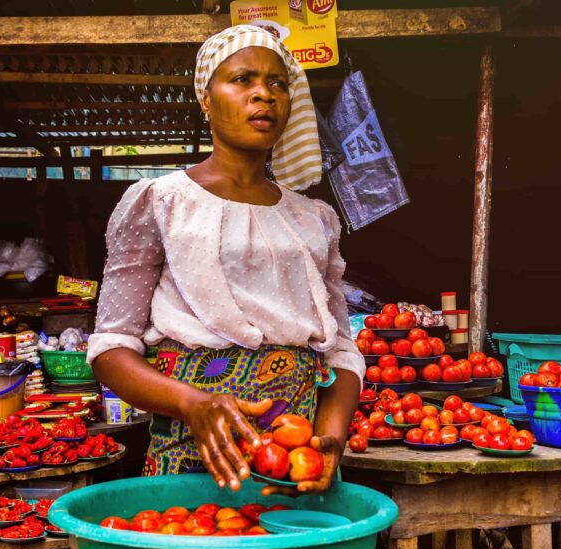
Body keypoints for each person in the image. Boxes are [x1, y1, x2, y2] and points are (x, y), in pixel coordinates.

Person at [88, 25, 365, 495]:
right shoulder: (160, 202)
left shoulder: (314, 219)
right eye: (242, 80)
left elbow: (340, 350)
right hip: (193, 452)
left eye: (278, 83)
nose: (264, 94)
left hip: (296, 463)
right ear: (206, 98)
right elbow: (112, 348)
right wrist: (194, 405)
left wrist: (329, 440)